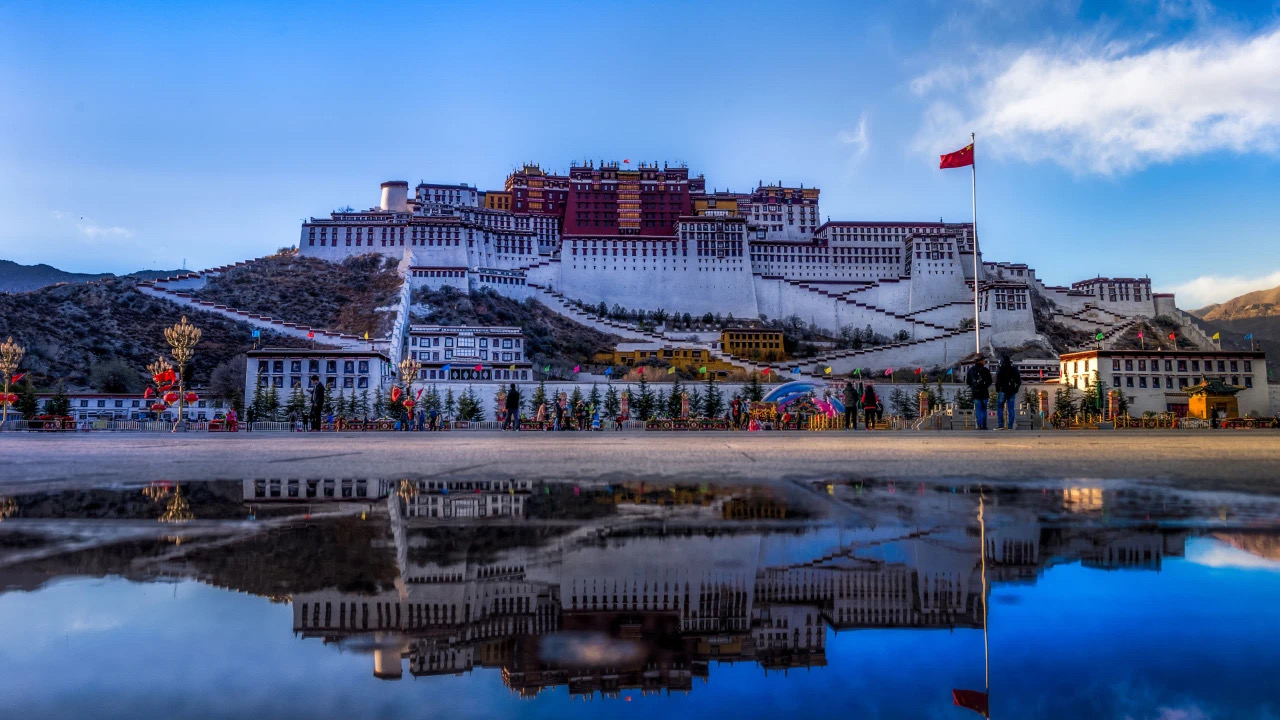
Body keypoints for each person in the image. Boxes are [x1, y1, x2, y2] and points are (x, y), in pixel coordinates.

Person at [995, 355, 1022, 430]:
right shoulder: (1014, 369)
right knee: (1011, 408)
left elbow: (997, 380)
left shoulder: (1000, 369)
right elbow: (1019, 381)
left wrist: (997, 389)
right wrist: (1016, 389)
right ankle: (1010, 425)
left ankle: (1001, 425)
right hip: (1011, 391)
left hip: (1002, 390)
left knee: (999, 407)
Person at [966, 356, 993, 431]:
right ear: (981, 361)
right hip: (984, 392)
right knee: (984, 409)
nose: (984, 361)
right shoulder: (985, 370)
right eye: (983, 360)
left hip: (976, 393)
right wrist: (984, 386)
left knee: (978, 409)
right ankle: (984, 425)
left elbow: (968, 381)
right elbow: (990, 381)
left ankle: (979, 425)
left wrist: (973, 387)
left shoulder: (971, 370)